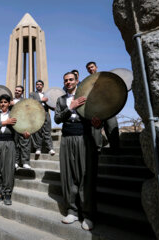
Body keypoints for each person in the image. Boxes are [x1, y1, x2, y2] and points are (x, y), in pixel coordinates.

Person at [54, 72, 99, 231]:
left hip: (83, 137)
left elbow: (96, 117)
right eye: (65, 80)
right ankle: (72, 210)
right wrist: (69, 108)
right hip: (66, 139)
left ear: (77, 81)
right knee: (68, 175)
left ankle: (88, 215)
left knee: (85, 175)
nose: (68, 82)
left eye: (71, 79)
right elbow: (57, 119)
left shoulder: (86, 95)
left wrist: (97, 122)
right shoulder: (60, 100)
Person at [0, 94, 30, 205]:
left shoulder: (13, 114)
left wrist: (25, 134)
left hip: (9, 143)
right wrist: (4, 122)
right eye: (1, 102)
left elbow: (20, 127)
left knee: (8, 170)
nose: (3, 104)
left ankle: (7, 194)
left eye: (5, 102)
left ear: (9, 103)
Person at [85, 61, 120, 151]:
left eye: (92, 67)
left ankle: (115, 149)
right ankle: (98, 150)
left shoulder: (104, 78)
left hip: (108, 109)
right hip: (96, 110)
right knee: (96, 131)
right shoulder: (87, 83)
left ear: (96, 67)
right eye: (88, 68)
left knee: (112, 127)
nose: (90, 69)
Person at [29, 80, 56, 156]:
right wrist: (41, 100)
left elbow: (49, 104)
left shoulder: (46, 94)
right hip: (37, 115)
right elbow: (31, 103)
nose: (38, 85)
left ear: (43, 86)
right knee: (38, 132)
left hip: (46, 114)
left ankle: (50, 148)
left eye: (40, 84)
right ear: (35, 86)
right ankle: (38, 148)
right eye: (37, 84)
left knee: (47, 131)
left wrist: (53, 107)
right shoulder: (32, 94)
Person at [10, 85, 31, 169]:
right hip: (13, 125)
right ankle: (16, 162)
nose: (17, 92)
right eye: (16, 90)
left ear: (22, 92)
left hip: (23, 124)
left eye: (19, 91)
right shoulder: (10, 101)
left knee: (25, 143)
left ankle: (25, 162)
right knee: (15, 143)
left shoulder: (25, 101)